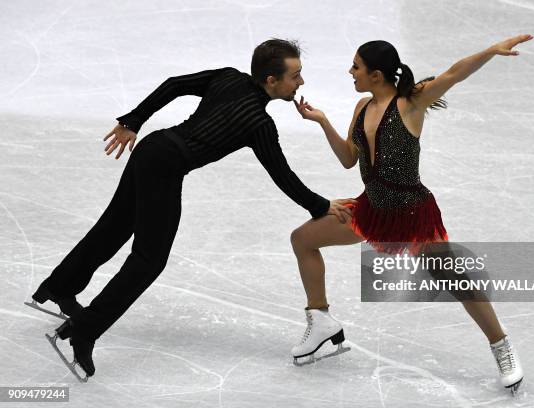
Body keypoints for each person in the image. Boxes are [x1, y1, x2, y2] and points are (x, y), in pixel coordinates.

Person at [26, 38, 356, 381]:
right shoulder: (258, 123)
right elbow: (283, 176)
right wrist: (321, 206)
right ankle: (83, 331)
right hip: (165, 167)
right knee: (149, 259)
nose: (300, 82)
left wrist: (136, 121)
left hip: (152, 150)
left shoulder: (229, 77)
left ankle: (59, 287)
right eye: (295, 76)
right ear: (271, 81)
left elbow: (174, 85)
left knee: (114, 228)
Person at [290, 35, 533, 394]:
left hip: (412, 213)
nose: (350, 71)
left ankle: (502, 346)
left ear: (376, 74)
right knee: (303, 240)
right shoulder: (361, 107)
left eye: (355, 66)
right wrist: (322, 120)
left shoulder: (412, 102)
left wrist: (488, 52)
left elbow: (454, 73)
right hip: (372, 209)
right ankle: (321, 320)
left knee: (453, 276)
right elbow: (348, 159)